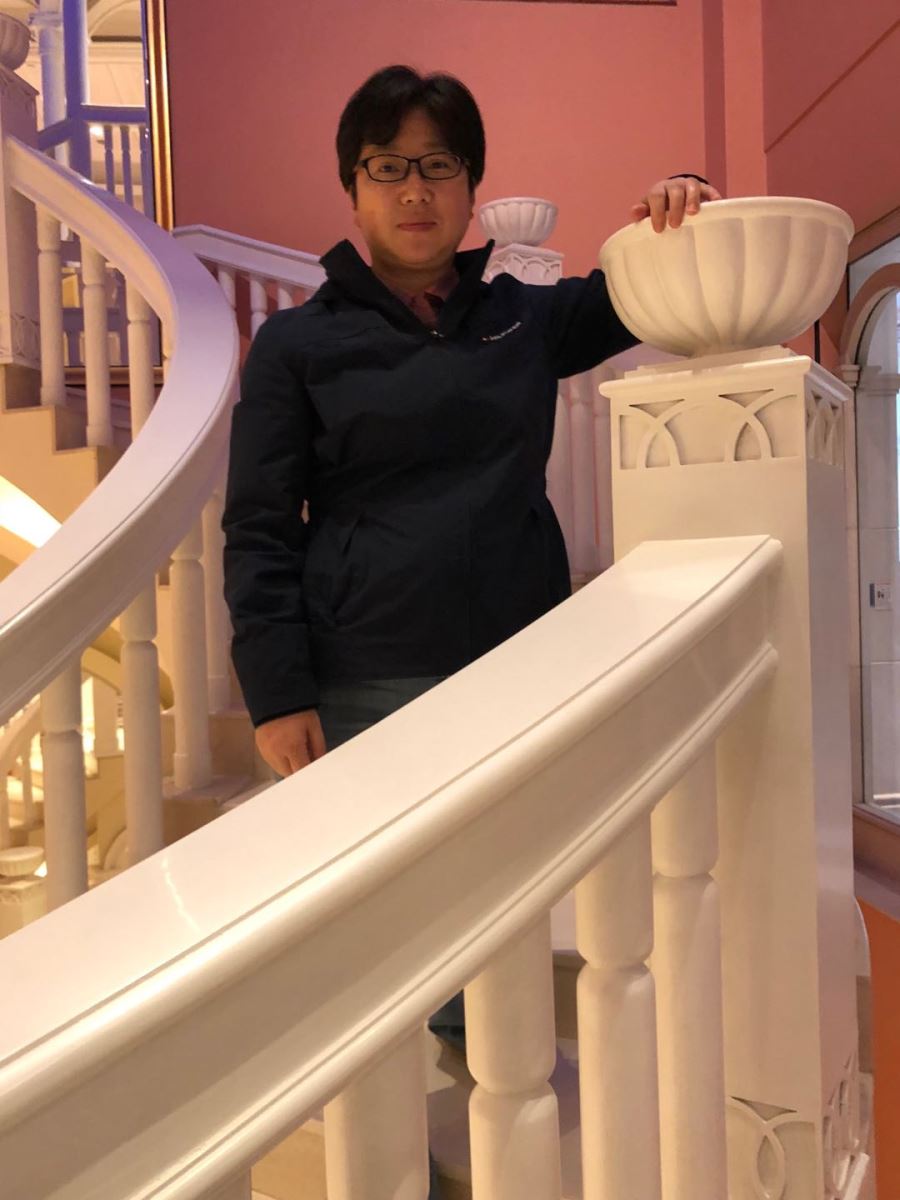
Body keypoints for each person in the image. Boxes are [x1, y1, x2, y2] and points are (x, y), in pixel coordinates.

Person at [222, 62, 721, 1199]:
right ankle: (383, 1124)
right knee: (381, 902)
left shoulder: (522, 317)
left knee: (500, 883)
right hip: (365, 671)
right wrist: (277, 691)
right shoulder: (299, 346)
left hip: (515, 662)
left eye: (438, 165)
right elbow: (256, 527)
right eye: (388, 166)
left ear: (471, 185)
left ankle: (481, 1069)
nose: (415, 190)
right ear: (353, 187)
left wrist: (681, 201)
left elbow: (643, 290)